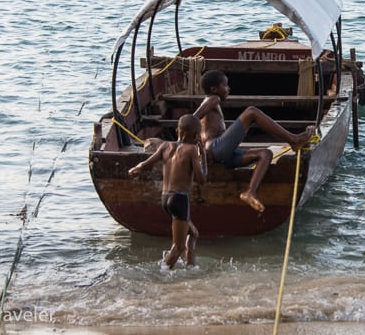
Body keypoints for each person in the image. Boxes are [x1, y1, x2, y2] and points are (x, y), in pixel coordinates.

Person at [194, 70, 315, 213]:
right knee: (251, 112)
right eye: (225, 85)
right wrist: (198, 151)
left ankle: (250, 192)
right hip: (214, 149)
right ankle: (293, 140)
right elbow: (192, 119)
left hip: (224, 156)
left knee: (266, 154)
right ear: (214, 89)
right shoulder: (213, 99)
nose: (228, 89)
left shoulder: (214, 103)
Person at [128, 115, 207, 268]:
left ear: (177, 130)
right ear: (196, 135)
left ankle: (191, 267)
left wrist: (135, 169)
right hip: (180, 199)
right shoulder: (191, 150)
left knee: (193, 234)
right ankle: (161, 272)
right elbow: (201, 179)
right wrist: (203, 155)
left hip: (165, 198)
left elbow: (147, 163)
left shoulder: (165, 146)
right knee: (178, 247)